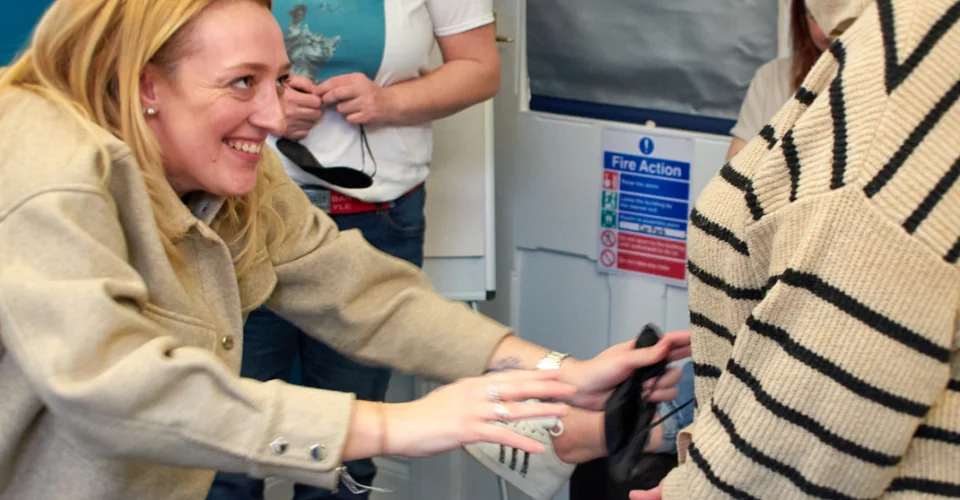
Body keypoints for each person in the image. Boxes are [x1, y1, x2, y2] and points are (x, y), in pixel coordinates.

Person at [0, 1, 695, 499]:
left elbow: (356, 290)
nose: (273, 118)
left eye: (276, 81)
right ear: (146, 84)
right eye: (243, 82)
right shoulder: (44, 167)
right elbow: (115, 387)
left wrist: (555, 372)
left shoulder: (225, 174)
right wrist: (397, 425)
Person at [484, 0, 960, 498]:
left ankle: (597, 435)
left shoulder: (908, 63)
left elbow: (823, 401)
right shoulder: (833, 71)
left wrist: (699, 488)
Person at [211, 0, 503, 497]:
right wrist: (267, 104)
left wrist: (388, 104)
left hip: (374, 219)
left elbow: (479, 68)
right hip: (242, 216)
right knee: (226, 445)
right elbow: (179, 71)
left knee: (347, 454)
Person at [725, 0, 832, 161]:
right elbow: (734, 171)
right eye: (820, 15)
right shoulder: (773, 77)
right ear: (803, 19)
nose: (833, 30)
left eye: (849, 19)